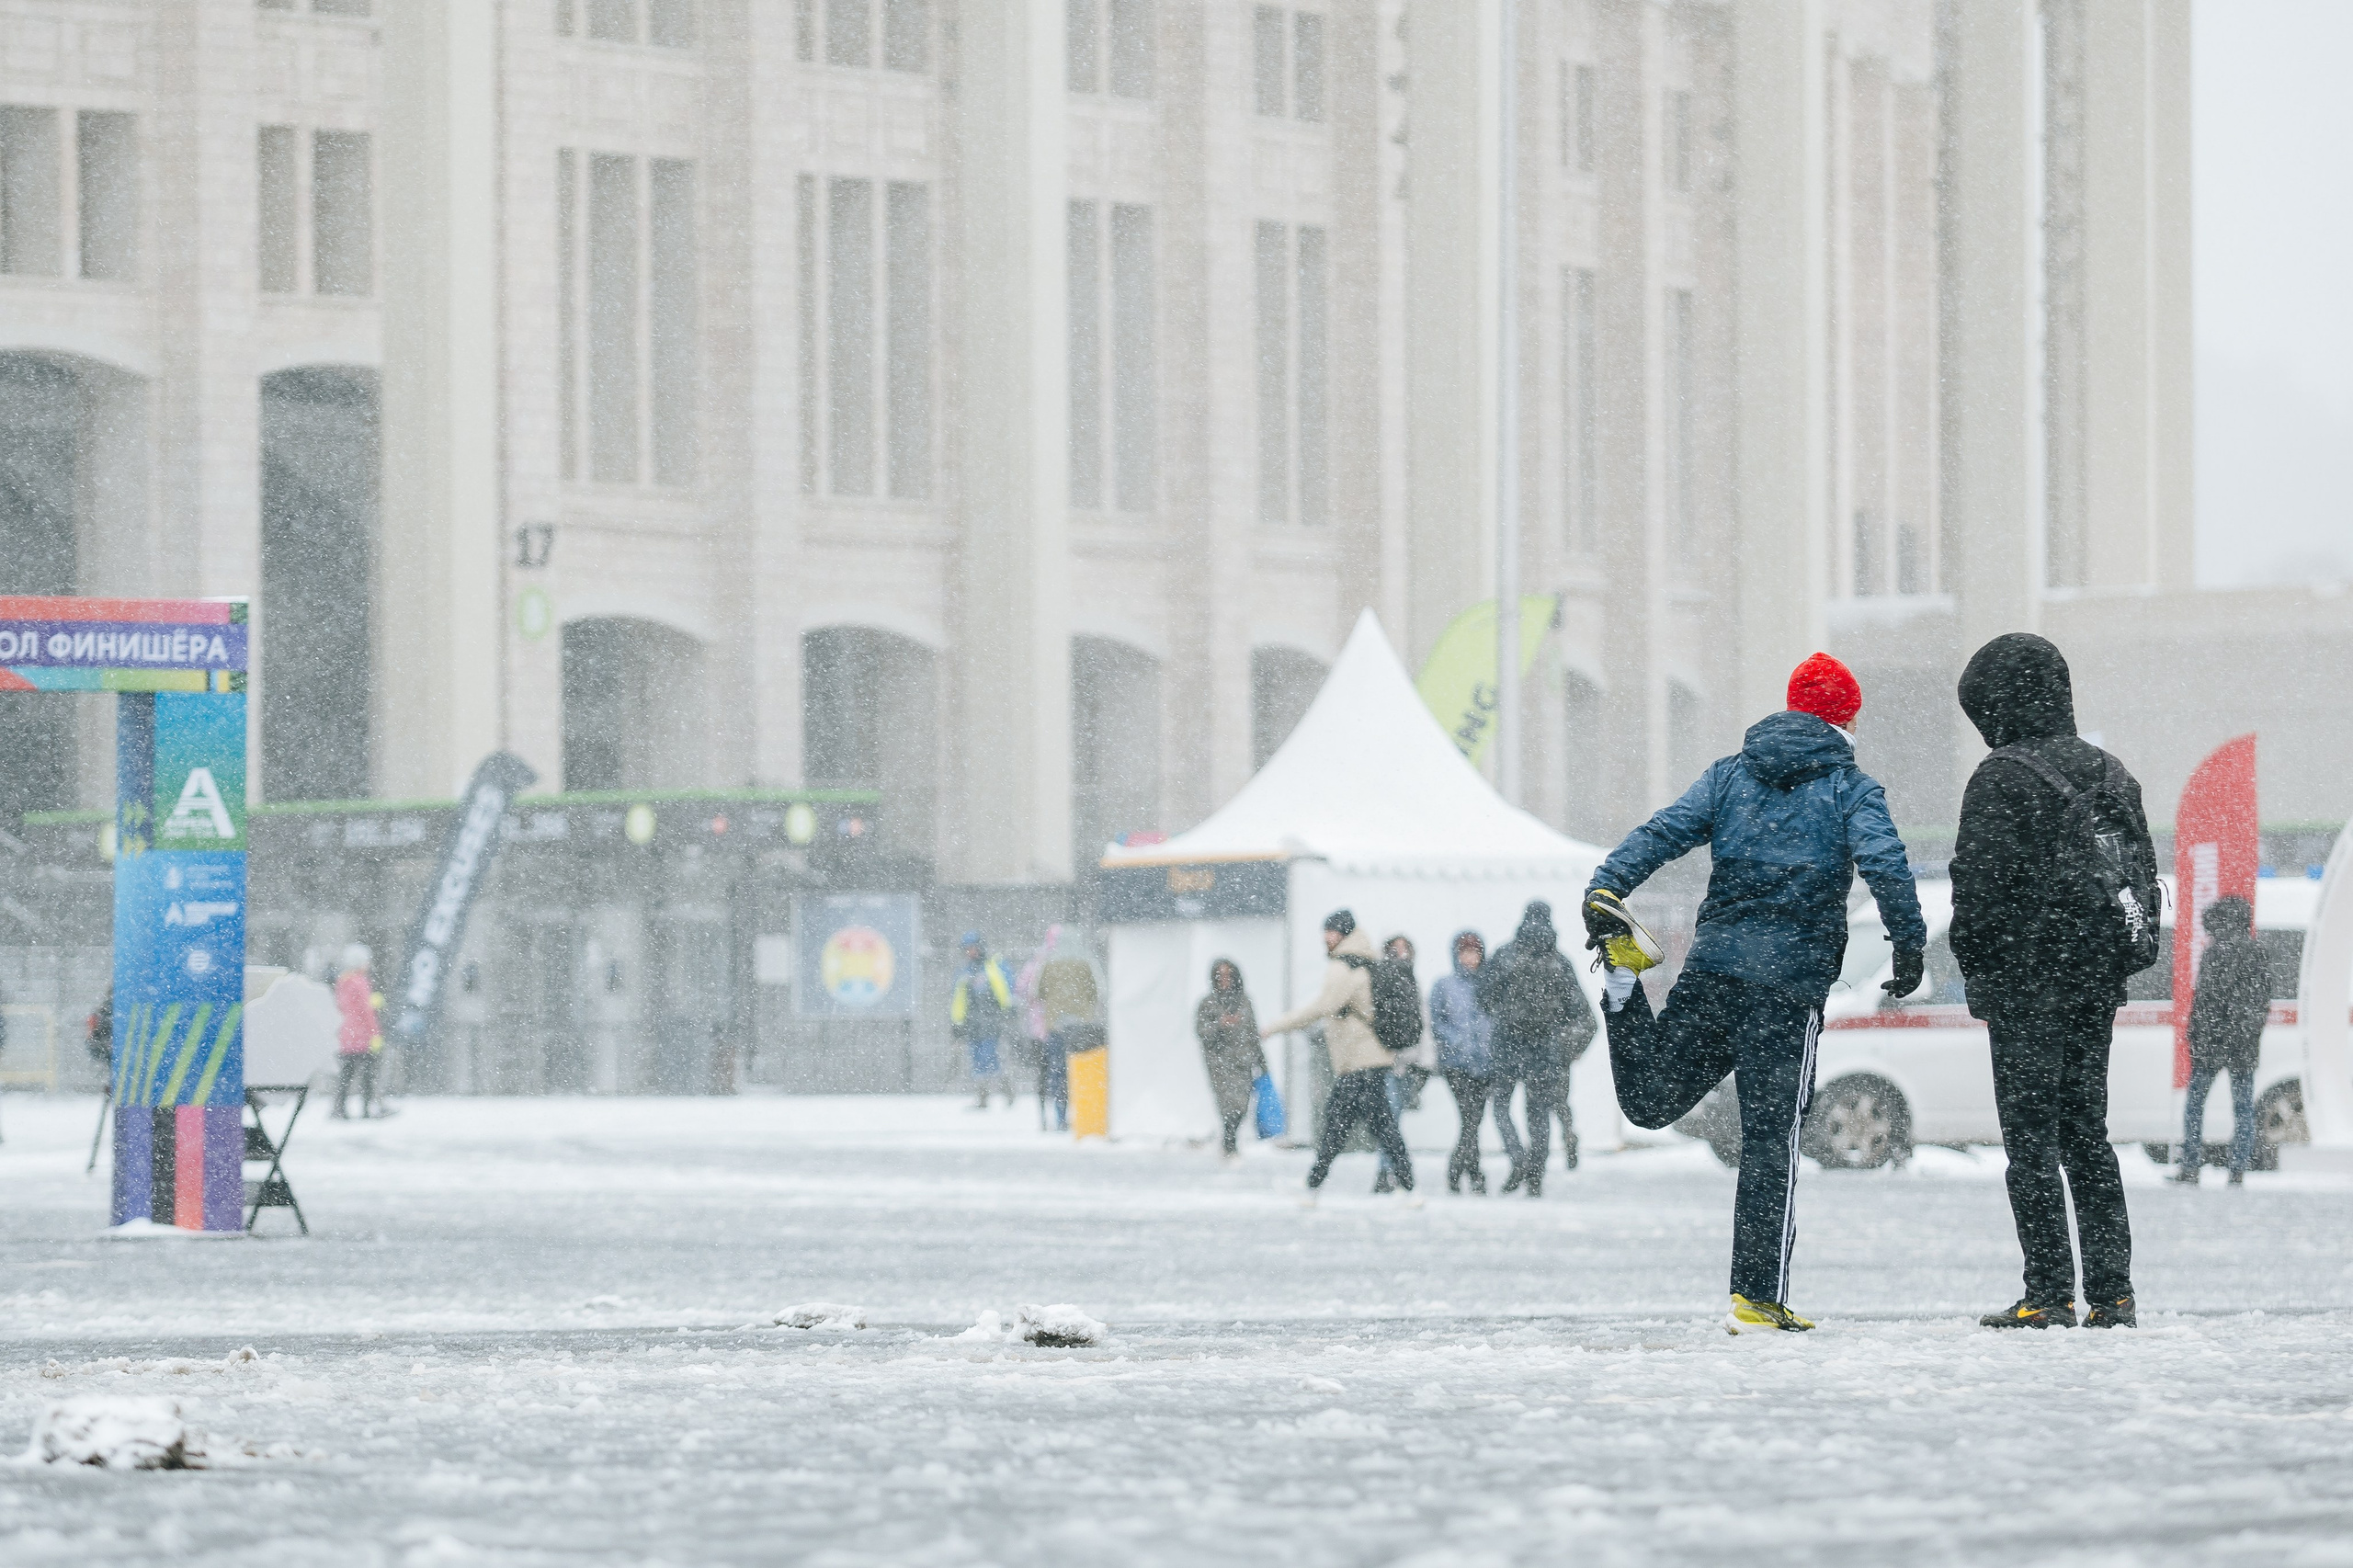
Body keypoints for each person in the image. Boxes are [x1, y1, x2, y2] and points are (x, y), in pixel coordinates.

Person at [1583, 652, 1926, 1333]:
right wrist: (1908, 944)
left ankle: (1623, 983)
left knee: (1651, 1102)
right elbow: (1886, 863)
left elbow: (1664, 831)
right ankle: (1757, 1295)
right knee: (1773, 1139)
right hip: (1785, 991)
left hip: (1714, 972)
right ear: (1848, 718)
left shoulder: (1731, 775)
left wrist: (1609, 882)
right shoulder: (1851, 789)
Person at [1950, 631, 2157, 1330]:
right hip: (2095, 978)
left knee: (2030, 1142)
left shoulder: (2002, 777)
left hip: (2026, 980)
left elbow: (1977, 889)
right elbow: (2139, 879)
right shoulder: (2113, 773)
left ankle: (2047, 1292)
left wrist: (1978, 969)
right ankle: (2114, 1292)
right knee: (2087, 1134)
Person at [1261, 910, 1415, 1203]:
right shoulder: (1365, 960)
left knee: (1351, 1125)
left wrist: (1276, 1026)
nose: (1325, 938)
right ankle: (1316, 1186)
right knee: (1359, 1126)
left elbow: (1324, 1006)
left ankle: (1315, 1186)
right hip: (1371, 1060)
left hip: (1360, 1061)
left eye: (1330, 932)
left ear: (1342, 934)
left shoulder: (1342, 966)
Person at [1477, 903, 1596, 1198]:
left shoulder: (1505, 955)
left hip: (1507, 1043)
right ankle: (1536, 1176)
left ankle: (1518, 1157)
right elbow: (1581, 1011)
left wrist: (1502, 1013)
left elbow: (1483, 995)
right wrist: (1566, 1047)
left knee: (1501, 1106)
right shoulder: (1560, 962)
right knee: (1538, 1113)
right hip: (1544, 1048)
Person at [2176, 895, 2269, 1187]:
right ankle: (2237, 1168)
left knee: (2195, 1105)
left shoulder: (2214, 953)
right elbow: (2260, 1002)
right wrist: (2247, 1033)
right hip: (2241, 1045)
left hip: (2212, 1044)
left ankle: (2191, 1165)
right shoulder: (2258, 953)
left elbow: (2203, 1002)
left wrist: (2196, 1036)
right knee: (2242, 1108)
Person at [1427, 930, 1496, 1194]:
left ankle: (1463, 1171)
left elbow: (1496, 1018)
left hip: (1486, 1063)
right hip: (1456, 1064)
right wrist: (1457, 1041)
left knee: (1472, 1121)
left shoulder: (1490, 983)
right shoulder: (1444, 985)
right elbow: (1436, 1021)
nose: (1470, 958)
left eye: (1475, 952)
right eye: (1465, 952)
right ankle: (1469, 1173)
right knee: (1470, 1119)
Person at [1371, 935, 1429, 1194]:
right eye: (1396, 950)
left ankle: (1391, 1170)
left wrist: (1425, 1063)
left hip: (1409, 1062)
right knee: (1391, 1120)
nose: (1401, 954)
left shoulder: (1413, 984)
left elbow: (1424, 1025)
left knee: (1393, 1120)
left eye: (1405, 949)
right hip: (1390, 1063)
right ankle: (1391, 1171)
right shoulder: (1382, 981)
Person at [1194, 959, 1266, 1161]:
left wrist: (1262, 1062)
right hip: (1220, 1064)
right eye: (1220, 976)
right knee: (1228, 1103)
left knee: (1242, 1104)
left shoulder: (1244, 1002)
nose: (1225, 980)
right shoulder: (1207, 1004)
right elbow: (1202, 1032)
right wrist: (1220, 1025)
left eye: (1228, 975)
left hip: (1243, 1062)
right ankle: (1229, 1142)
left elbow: (1252, 1033)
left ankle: (1230, 1137)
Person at [1037, 935, 1100, 1131]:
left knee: (1058, 1072)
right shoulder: (1086, 963)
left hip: (1056, 1027)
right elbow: (1095, 992)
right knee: (1084, 1072)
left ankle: (1061, 1116)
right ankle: (1084, 1116)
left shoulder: (1048, 964)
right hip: (1082, 1028)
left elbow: (1039, 993)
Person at [950, 932, 1017, 1108]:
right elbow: (959, 999)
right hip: (972, 1023)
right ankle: (983, 1095)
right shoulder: (965, 971)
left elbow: (1006, 990)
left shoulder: (993, 966)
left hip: (991, 1020)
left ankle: (1004, 1088)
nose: (969, 952)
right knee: (976, 1057)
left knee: (989, 1055)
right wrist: (957, 1023)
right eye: (966, 949)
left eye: (971, 948)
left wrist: (1008, 1011)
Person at [333, 944, 382, 1119]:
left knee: (346, 1075)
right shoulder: (360, 982)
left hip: (347, 1036)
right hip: (362, 1036)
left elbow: (344, 1007)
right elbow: (365, 1011)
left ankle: (338, 1108)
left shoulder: (343, 981)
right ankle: (369, 1109)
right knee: (368, 1075)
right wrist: (375, 1033)